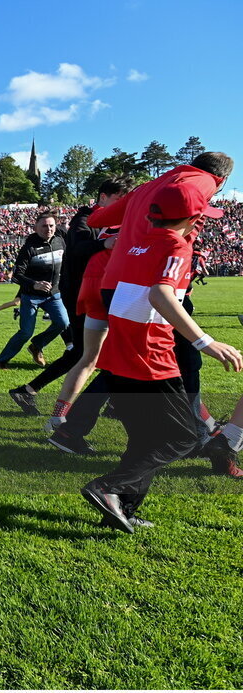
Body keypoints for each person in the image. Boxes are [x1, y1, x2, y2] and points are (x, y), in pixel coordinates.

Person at [81, 180, 242, 533]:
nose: (203, 222)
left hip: (122, 352)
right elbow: (160, 295)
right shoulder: (176, 247)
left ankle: (122, 507)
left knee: (144, 439)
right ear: (192, 216)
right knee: (183, 438)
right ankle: (108, 487)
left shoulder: (138, 242)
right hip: (150, 357)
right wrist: (205, 342)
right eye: (201, 215)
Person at [8, 179, 131, 414]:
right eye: (118, 199)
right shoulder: (85, 218)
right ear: (103, 197)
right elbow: (78, 248)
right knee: (95, 352)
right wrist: (106, 243)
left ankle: (29, 391)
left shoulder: (113, 220)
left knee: (87, 352)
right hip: (81, 294)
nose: (122, 205)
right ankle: (103, 406)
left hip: (100, 292)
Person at [0, 213, 69, 369]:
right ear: (35, 227)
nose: (48, 229)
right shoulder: (29, 247)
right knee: (26, 332)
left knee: (63, 323)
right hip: (31, 296)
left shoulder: (60, 241)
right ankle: (1, 360)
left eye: (51, 225)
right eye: (44, 226)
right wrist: (34, 284)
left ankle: (37, 346)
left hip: (54, 294)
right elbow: (17, 275)